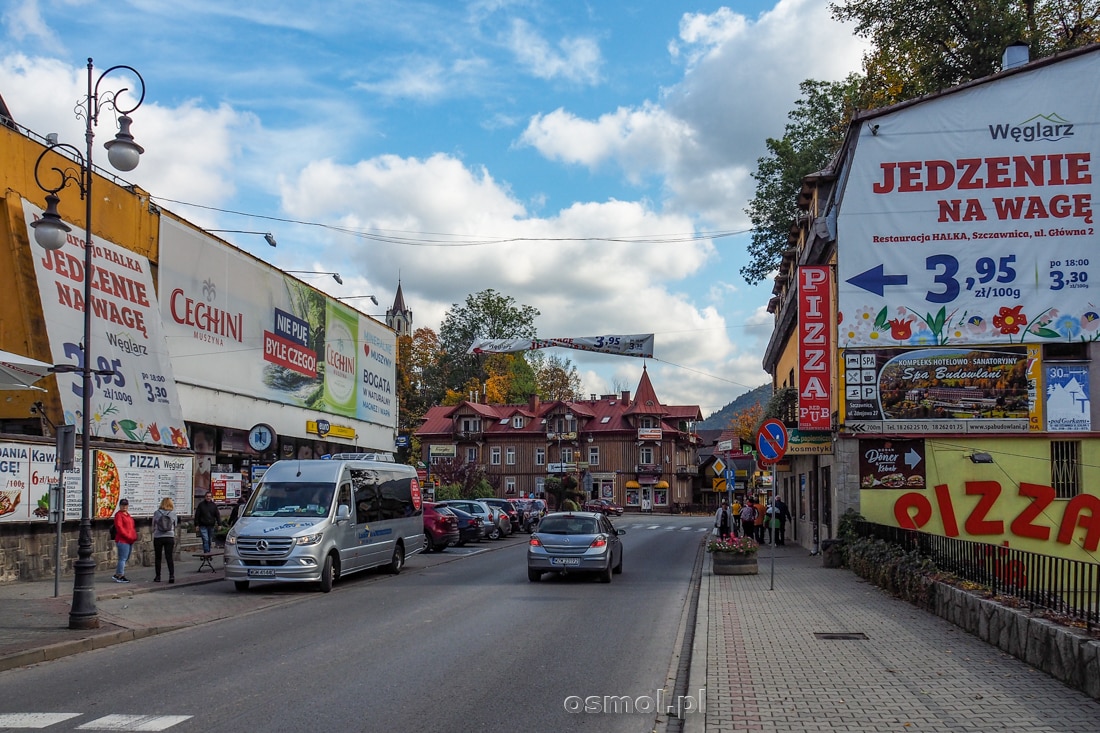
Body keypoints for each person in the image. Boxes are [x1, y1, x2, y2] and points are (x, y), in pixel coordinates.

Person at [152, 497, 177, 583]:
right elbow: (175, 525)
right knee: (169, 557)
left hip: (158, 537)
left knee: (158, 558)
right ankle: (171, 576)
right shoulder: (173, 513)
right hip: (169, 537)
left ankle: (158, 577)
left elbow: (153, 525)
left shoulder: (156, 513)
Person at [112, 498, 137, 583]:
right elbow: (119, 528)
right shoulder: (118, 515)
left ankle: (117, 574)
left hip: (130, 540)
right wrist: (128, 536)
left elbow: (131, 527)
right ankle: (120, 575)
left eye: (126, 505)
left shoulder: (128, 515)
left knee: (125, 558)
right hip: (123, 540)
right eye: (123, 505)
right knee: (122, 558)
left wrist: (133, 536)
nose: (124, 507)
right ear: (120, 506)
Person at [194, 491, 221, 555]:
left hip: (211, 525)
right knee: (205, 539)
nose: (208, 498)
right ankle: (207, 553)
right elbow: (197, 515)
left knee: (209, 540)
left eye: (210, 496)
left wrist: (219, 524)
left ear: (211, 497)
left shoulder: (214, 505)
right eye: (207, 496)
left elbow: (217, 515)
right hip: (202, 525)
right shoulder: (201, 505)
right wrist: (196, 524)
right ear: (205, 497)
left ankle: (208, 551)